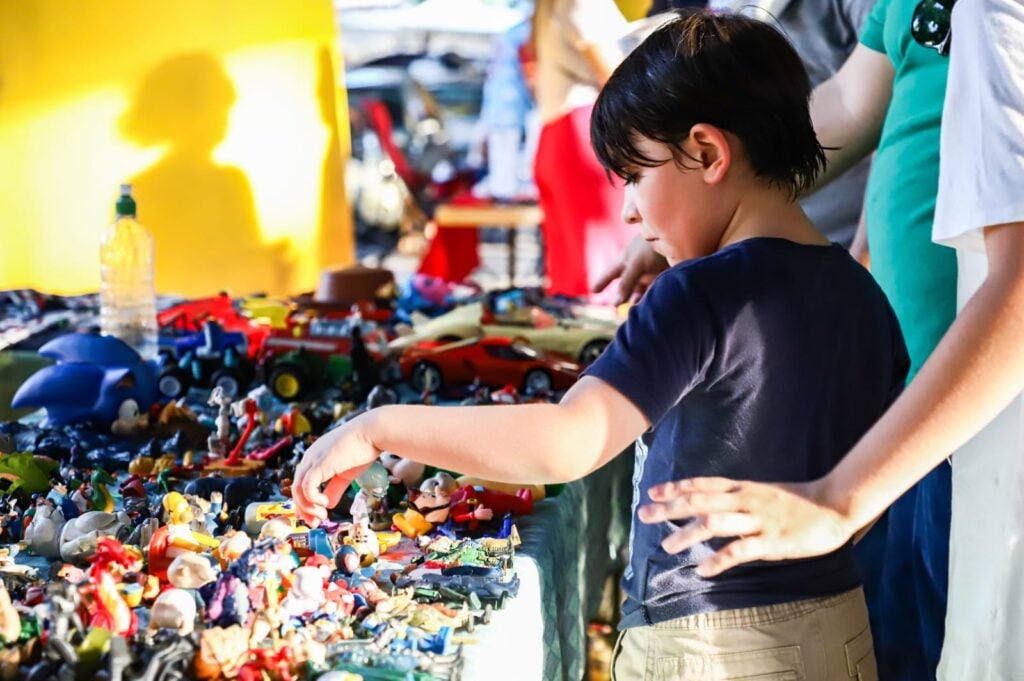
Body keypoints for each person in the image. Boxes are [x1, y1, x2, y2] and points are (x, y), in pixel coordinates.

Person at [293, 12, 908, 679]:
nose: (629, 214)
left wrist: (382, 428)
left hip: (706, 646)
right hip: (845, 628)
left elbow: (570, 440)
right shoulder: (865, 296)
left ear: (706, 152)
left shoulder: (696, 295)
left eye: (634, 176)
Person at [634, 2, 1024, 678]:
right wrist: (691, 200)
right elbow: (847, 101)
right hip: (919, 411)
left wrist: (841, 497)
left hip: (977, 409)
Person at [531, 0, 633, 300]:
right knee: (606, 270)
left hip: (560, 132)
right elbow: (618, 74)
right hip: (585, 131)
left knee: (573, 272)